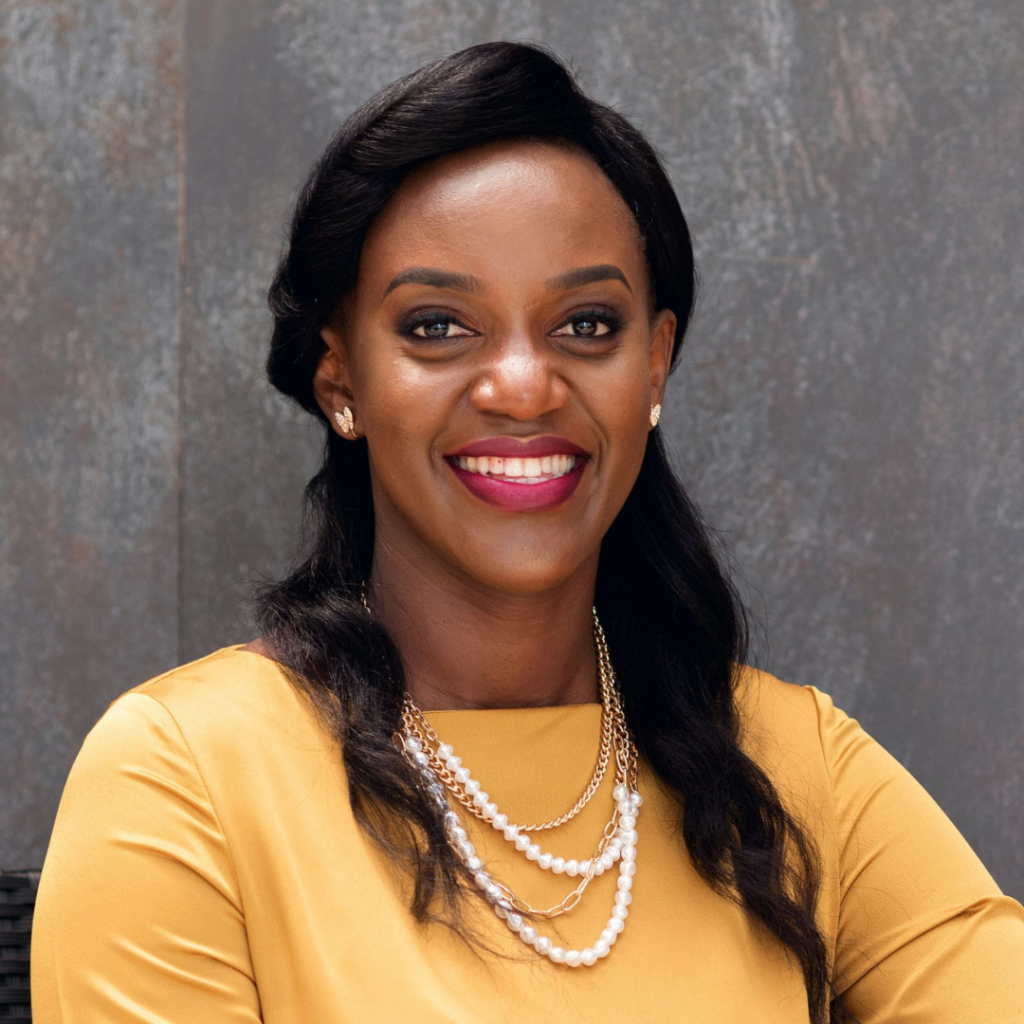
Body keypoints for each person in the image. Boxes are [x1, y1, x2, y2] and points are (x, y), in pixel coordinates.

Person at [30, 41, 1024, 1024]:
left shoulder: (793, 764)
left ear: (654, 366)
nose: (523, 386)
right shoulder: (186, 776)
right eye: (436, 326)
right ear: (341, 380)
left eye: (586, 324)